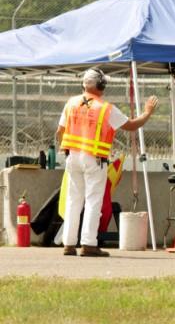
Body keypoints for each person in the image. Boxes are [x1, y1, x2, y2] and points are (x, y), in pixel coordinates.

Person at [56, 68, 158, 257]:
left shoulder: (71, 103)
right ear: (102, 86)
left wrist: (68, 148)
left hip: (72, 157)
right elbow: (132, 125)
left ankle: (68, 244)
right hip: (94, 159)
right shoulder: (105, 108)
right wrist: (147, 112)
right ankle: (88, 244)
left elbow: (60, 131)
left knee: (73, 200)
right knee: (93, 201)